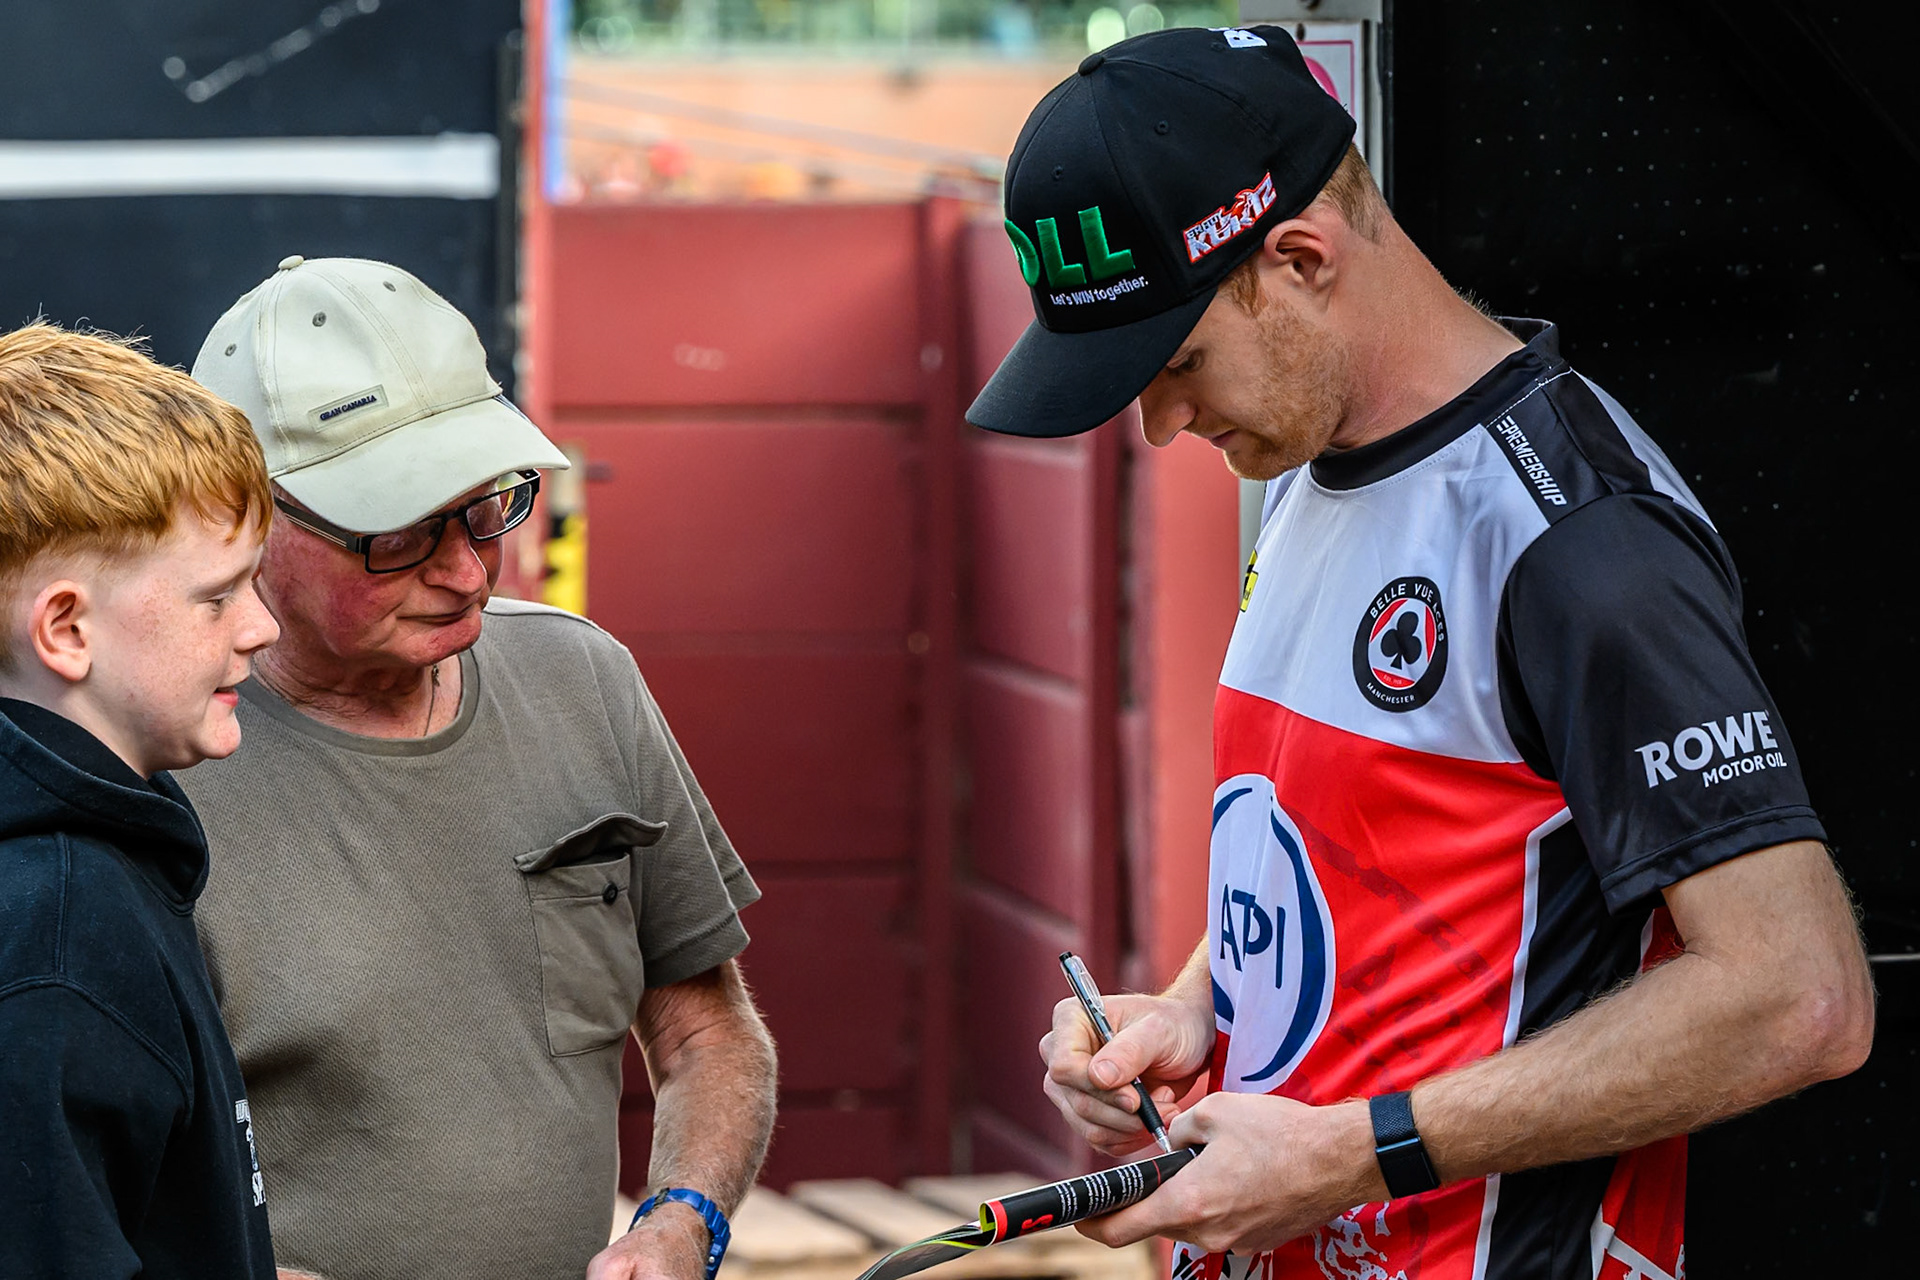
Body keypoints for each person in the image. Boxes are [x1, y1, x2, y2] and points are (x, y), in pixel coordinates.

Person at [971, 26, 1876, 1280]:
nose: (1163, 421)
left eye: (1175, 363)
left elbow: (1799, 996)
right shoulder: (1306, 464)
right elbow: (1334, 851)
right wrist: (1196, 1011)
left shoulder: (1578, 540)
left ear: (1299, 257)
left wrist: (1350, 1152)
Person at [179, 256, 777, 1280]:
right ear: (248, 514)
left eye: (487, 503)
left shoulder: (583, 679)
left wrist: (684, 1215)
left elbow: (707, 1033)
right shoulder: (157, 766)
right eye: (399, 530)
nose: (464, 566)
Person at [0, 322, 281, 1278]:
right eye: (217, 596)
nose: (261, 627)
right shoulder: (61, 943)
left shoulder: (99, 866)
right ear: (67, 629)